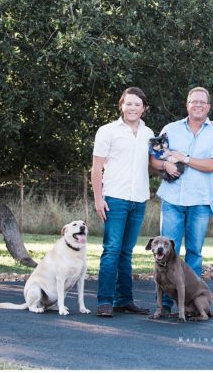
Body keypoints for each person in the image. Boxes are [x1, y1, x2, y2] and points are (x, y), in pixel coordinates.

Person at [149, 86, 213, 314]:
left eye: (202, 102)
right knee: (165, 251)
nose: (198, 105)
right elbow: (153, 160)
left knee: (194, 252)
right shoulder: (170, 130)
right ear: (187, 105)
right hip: (173, 199)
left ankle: (190, 305)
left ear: (208, 106)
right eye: (194, 102)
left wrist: (185, 158)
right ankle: (163, 305)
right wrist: (165, 164)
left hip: (200, 201)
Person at [91, 87, 155, 317]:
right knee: (111, 250)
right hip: (114, 198)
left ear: (144, 108)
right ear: (121, 105)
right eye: (128, 104)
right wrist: (99, 198)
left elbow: (155, 162)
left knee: (127, 252)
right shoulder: (107, 131)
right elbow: (97, 167)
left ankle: (124, 300)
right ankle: (105, 301)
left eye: (137, 104)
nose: (132, 108)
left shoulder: (149, 134)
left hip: (138, 199)